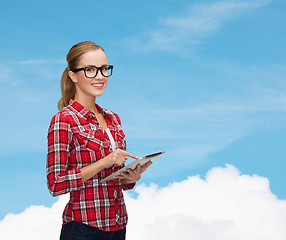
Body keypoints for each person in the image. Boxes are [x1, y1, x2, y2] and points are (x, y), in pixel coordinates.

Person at [46, 41, 152, 240]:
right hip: (83, 229)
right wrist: (105, 161)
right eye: (90, 70)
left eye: (104, 69)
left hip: (118, 226)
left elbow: (113, 179)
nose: (100, 76)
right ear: (73, 75)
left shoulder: (113, 118)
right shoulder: (64, 120)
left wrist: (131, 178)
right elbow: (55, 184)